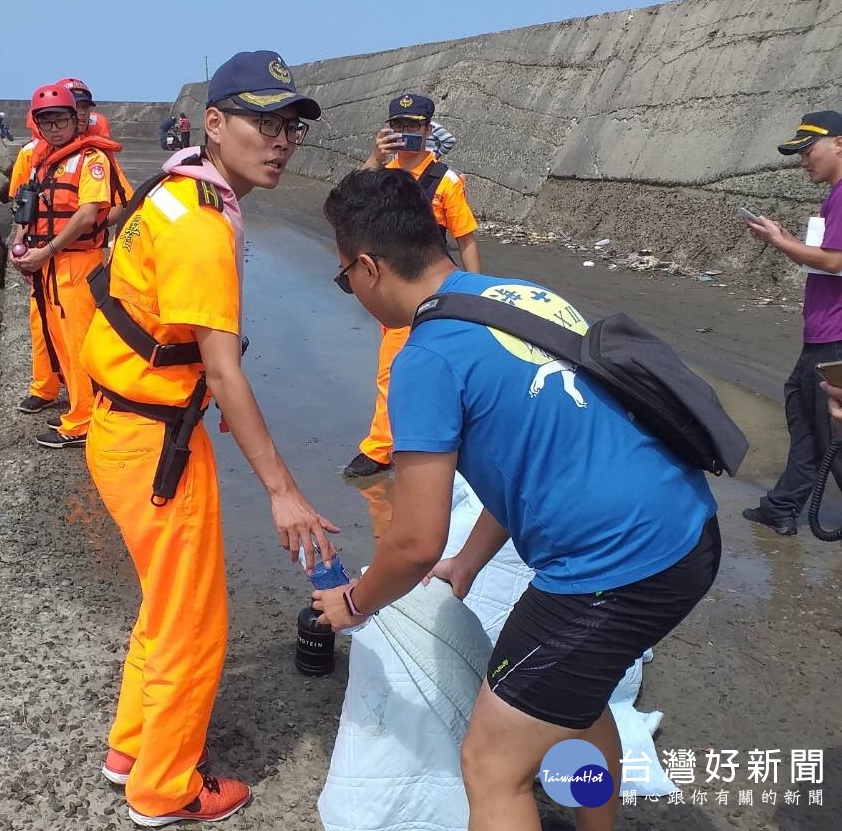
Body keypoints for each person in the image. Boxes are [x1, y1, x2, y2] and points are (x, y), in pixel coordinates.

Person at [313, 167, 721, 831]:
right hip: (688, 530)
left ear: (367, 267)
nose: (351, 292)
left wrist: (355, 602)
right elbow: (533, 454)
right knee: (578, 701)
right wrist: (471, 562)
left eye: (344, 278)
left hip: (613, 570)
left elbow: (415, 540)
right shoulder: (516, 295)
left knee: (492, 765)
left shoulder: (427, 355)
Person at [79, 51, 337, 826]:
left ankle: (129, 748)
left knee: (167, 602)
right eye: (264, 121)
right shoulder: (199, 227)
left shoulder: (173, 186)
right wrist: (283, 490)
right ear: (215, 123)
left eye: (290, 124)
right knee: (194, 620)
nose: (281, 139)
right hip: (155, 446)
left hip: (125, 425)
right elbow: (224, 374)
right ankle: (165, 789)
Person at [344, 93, 481, 479]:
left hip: (433, 289)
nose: (405, 133)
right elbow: (348, 204)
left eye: (413, 127)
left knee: (411, 367)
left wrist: (472, 292)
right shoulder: (382, 176)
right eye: (398, 126)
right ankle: (394, 445)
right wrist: (373, 158)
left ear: (428, 129)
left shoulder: (447, 181)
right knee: (397, 367)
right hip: (391, 289)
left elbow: (466, 238)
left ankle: (383, 448)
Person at [741, 110, 842, 536]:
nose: (802, 159)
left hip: (836, 338)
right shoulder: (833, 197)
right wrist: (787, 241)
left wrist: (781, 242)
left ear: (839, 143)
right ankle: (780, 507)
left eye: (808, 148)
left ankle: (782, 507)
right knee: (805, 417)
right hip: (823, 334)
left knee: (832, 433)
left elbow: (836, 262)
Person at [9, 84, 123, 448]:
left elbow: (89, 213)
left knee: (78, 344)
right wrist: (21, 249)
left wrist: (48, 250)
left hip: (75, 264)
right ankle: (76, 408)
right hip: (48, 265)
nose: (55, 128)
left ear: (77, 119)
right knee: (55, 338)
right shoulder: (41, 161)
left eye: (61, 120)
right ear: (37, 126)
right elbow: (26, 208)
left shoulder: (92, 160)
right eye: (47, 122)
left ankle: (85, 421)